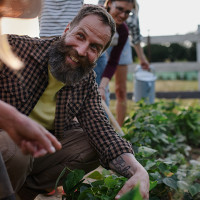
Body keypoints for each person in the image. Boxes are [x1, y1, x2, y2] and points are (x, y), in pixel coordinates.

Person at [0, 4, 149, 200]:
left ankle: (21, 193)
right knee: (16, 149)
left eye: (94, 47)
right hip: (7, 145)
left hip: (35, 153)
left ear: (100, 55)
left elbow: (102, 132)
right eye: (80, 36)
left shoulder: (85, 82)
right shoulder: (15, 49)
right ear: (67, 30)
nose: (81, 50)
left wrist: (139, 171)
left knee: (92, 145)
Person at [98, 0, 149, 126]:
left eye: (127, 12)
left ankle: (118, 131)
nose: (123, 15)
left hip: (118, 39)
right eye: (119, 9)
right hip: (96, 41)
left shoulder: (124, 30)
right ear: (109, 4)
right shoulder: (97, 17)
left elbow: (113, 62)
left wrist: (102, 87)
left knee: (115, 90)